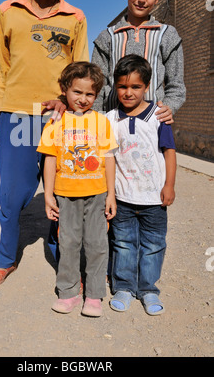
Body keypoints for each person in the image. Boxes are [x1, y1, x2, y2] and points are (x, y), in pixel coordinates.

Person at [0, 0, 89, 287]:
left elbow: (81, 69)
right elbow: (2, 66)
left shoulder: (75, 17)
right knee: (13, 192)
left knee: (64, 192)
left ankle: (68, 262)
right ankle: (5, 259)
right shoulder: (8, 10)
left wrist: (67, 103)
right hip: (17, 115)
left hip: (58, 118)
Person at [37, 62, 117, 317]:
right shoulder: (55, 122)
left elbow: (108, 158)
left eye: (90, 94)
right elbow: (49, 159)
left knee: (96, 244)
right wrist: (48, 195)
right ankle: (68, 292)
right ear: (64, 89)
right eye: (77, 92)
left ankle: (94, 295)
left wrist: (111, 195)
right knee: (68, 243)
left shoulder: (101, 122)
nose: (83, 99)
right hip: (66, 195)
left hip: (97, 195)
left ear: (97, 95)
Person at [106, 54, 176, 316]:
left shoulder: (159, 116)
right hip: (123, 198)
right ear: (115, 86)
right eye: (123, 86)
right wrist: (110, 194)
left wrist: (169, 185)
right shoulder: (110, 119)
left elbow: (169, 152)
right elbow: (109, 157)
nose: (128, 92)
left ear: (146, 86)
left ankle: (148, 290)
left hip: (154, 199)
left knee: (153, 245)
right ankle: (123, 286)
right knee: (123, 243)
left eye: (135, 86)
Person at [92, 0, 186, 122]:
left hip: (152, 125)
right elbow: (97, 84)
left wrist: (168, 107)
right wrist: (96, 118)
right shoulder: (107, 37)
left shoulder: (167, 34)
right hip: (112, 124)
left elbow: (176, 83)